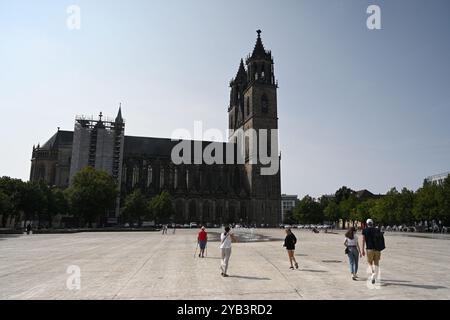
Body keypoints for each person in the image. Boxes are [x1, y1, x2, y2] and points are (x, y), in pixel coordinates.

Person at [362, 218, 383, 284]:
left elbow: (363, 240)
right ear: (372, 223)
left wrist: (362, 249)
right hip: (377, 249)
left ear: (366, 223)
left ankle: (373, 273)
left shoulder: (364, 230)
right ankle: (375, 275)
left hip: (369, 249)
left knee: (369, 262)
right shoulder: (377, 230)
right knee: (376, 263)